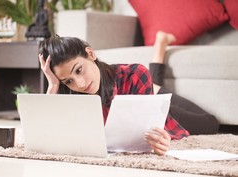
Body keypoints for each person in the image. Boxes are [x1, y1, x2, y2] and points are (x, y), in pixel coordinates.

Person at [38, 31, 219, 156]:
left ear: (90, 54)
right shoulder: (69, 95)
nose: (80, 83)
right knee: (145, 83)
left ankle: (158, 58)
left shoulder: (134, 75)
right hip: (140, 89)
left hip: (155, 103)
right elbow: (46, 138)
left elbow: (149, 130)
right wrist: (53, 86)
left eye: (79, 70)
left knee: (211, 124)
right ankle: (153, 86)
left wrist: (159, 139)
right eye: (68, 81)